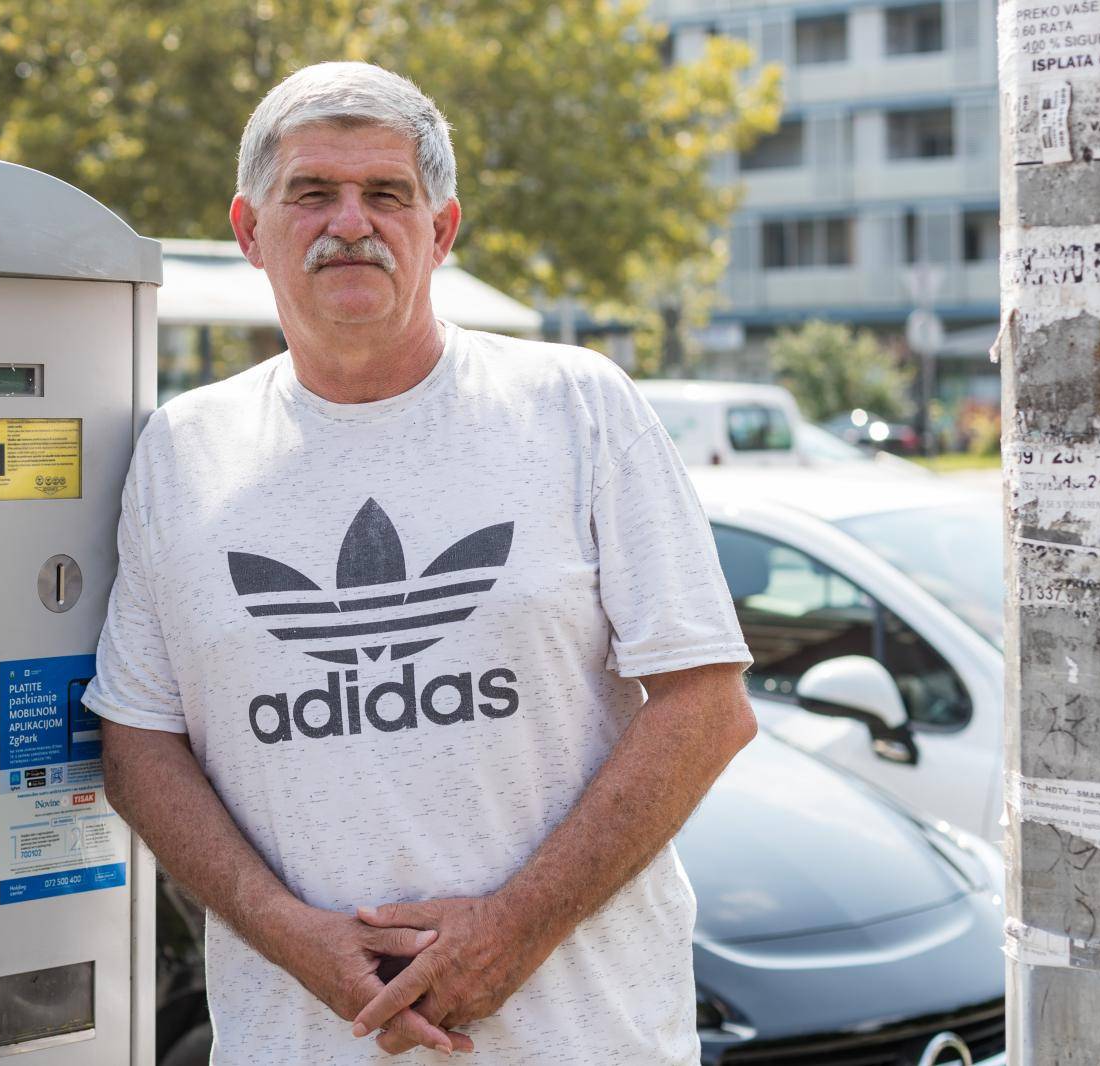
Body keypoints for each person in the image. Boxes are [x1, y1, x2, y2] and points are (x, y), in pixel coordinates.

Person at [83, 61, 756, 1063]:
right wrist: (289, 935)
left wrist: (513, 927)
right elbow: (137, 741)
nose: (349, 222)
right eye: (311, 193)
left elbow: (708, 707)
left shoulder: (575, 405)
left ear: (439, 230)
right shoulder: (184, 451)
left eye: (386, 194)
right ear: (248, 229)